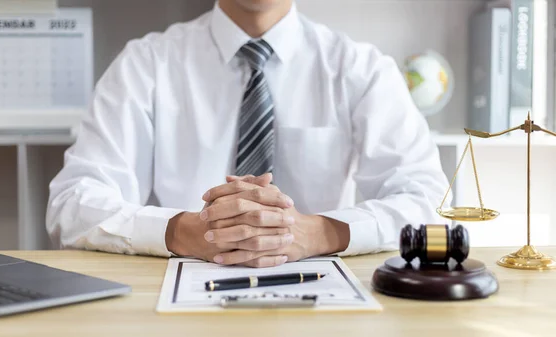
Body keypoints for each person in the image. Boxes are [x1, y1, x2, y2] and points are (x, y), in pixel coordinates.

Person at [46, 0, 449, 268]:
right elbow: (72, 203)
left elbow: (431, 203)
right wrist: (182, 230)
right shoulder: (146, 64)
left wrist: (320, 231)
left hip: (322, 292)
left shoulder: (361, 69)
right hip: (172, 290)